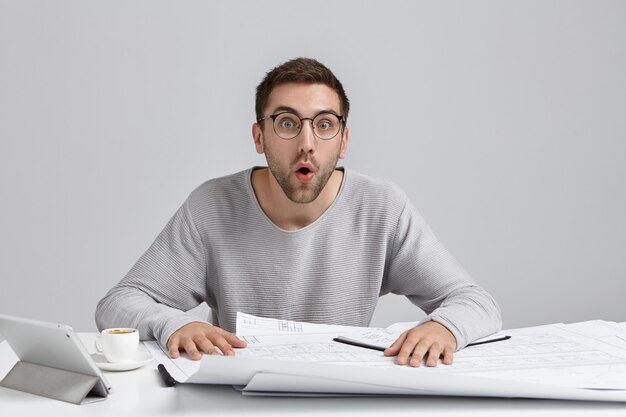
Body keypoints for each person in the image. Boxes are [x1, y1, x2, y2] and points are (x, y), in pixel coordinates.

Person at [96, 57, 501, 368]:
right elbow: (118, 303)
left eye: (324, 125)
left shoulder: (381, 207)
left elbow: (476, 303)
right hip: (236, 396)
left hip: (341, 395)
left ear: (343, 141)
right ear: (260, 136)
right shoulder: (212, 206)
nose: (307, 143)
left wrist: (443, 326)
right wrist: (174, 324)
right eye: (287, 123)